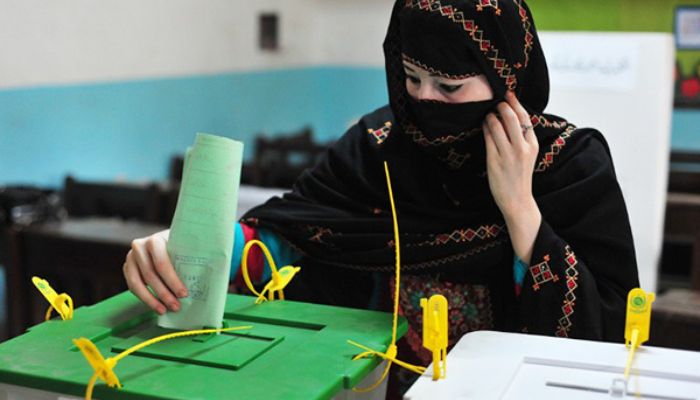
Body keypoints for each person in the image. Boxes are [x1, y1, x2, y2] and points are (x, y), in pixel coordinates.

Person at [124, 0, 638, 395]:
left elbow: (608, 329)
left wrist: (521, 210)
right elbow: (293, 238)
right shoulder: (379, 146)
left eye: (449, 88)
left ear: (506, 79)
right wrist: (186, 248)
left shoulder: (568, 166)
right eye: (411, 78)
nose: (423, 102)